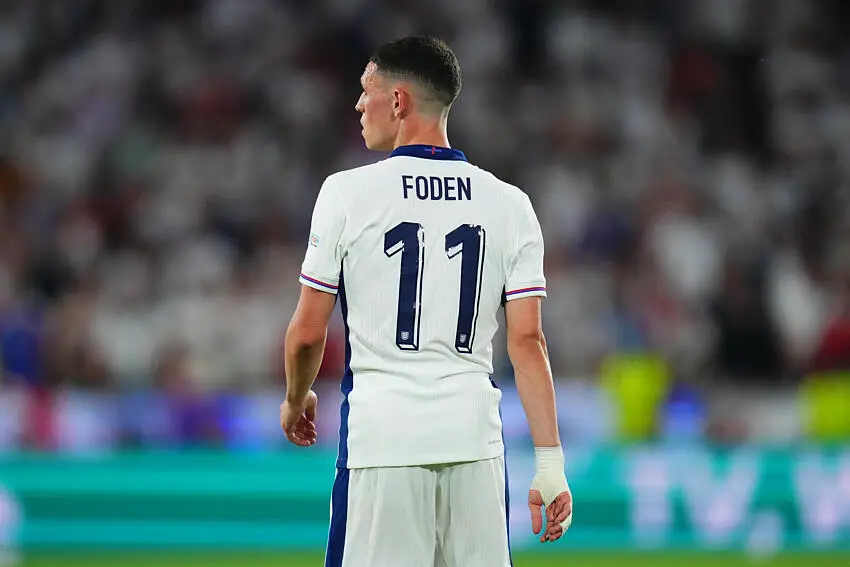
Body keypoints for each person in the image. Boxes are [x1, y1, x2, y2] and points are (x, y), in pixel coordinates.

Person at [280, 36, 572, 567]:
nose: (358, 104)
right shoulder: (510, 204)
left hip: (383, 445)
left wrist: (296, 398)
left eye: (366, 90)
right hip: (475, 447)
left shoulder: (346, 194)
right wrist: (550, 464)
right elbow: (528, 341)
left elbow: (306, 334)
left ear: (397, 101)